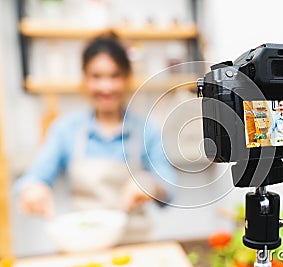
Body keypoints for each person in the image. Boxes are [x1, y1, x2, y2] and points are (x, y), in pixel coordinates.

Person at [15, 35, 175, 228]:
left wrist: (150, 185)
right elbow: (35, 176)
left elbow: (170, 188)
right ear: (84, 79)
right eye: (96, 76)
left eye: (114, 76)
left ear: (127, 78)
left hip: (136, 244)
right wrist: (32, 188)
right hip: (85, 245)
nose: (105, 86)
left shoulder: (146, 129)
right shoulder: (65, 129)